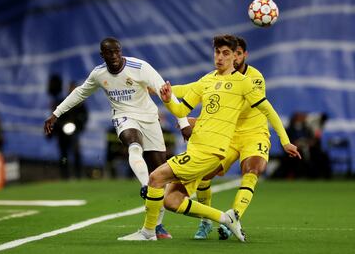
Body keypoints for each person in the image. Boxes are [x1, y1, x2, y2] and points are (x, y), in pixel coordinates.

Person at [118, 34, 300, 241]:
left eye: (226, 53)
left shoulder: (245, 83)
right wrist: (167, 99)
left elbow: (269, 111)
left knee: (155, 178)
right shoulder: (207, 80)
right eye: (217, 52)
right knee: (172, 200)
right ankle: (223, 218)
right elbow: (180, 108)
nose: (220, 57)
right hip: (196, 147)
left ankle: (148, 232)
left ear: (235, 57)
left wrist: (285, 141)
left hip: (210, 151)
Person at [44, 37, 191, 239]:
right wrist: (56, 113)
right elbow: (79, 93)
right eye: (109, 53)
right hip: (123, 117)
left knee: (159, 172)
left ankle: (156, 226)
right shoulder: (99, 74)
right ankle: (145, 185)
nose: (113, 56)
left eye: (116, 52)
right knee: (133, 143)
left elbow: (165, 93)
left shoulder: (140, 67)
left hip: (149, 118)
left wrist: (183, 123)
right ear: (102, 55)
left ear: (120, 51)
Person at [172, 36, 302, 240]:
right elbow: (191, 89)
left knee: (253, 170)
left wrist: (284, 141)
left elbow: (243, 107)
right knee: (206, 173)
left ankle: (234, 217)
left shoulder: (253, 78)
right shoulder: (215, 77)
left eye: (235, 53)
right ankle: (205, 221)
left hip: (254, 133)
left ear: (241, 55)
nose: (231, 57)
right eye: (220, 52)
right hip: (229, 135)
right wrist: (161, 88)